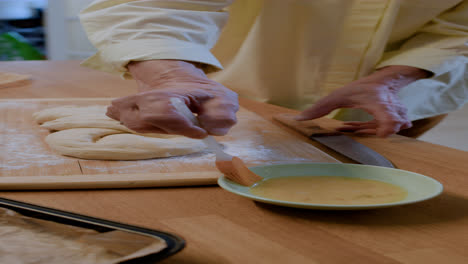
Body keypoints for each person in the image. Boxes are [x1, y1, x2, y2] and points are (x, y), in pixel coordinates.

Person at [79, 0, 468, 139]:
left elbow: (460, 27)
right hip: (229, 98)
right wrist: (171, 76)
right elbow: (158, 4)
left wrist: (391, 79)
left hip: (395, 104)